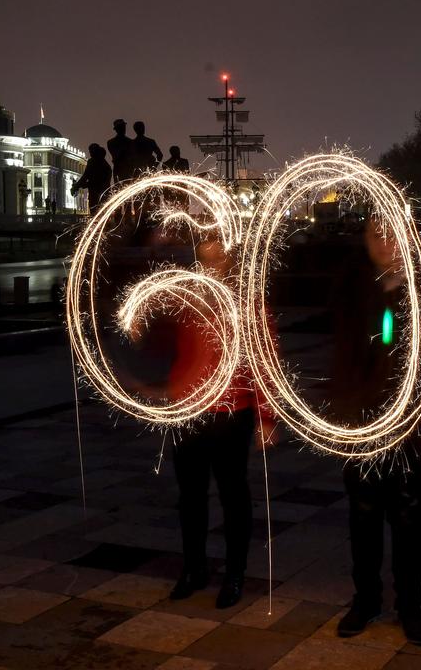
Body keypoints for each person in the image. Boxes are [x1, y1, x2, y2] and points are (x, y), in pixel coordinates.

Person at [331, 217, 421, 646]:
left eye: (393, 233)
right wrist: (341, 414)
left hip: (413, 423)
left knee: (408, 514)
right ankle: (366, 599)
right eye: (375, 234)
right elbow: (342, 355)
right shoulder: (356, 288)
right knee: (364, 512)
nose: (385, 243)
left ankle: (410, 606)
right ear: (366, 241)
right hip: (364, 423)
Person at [164, 236, 275, 609]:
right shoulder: (183, 293)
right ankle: (194, 569)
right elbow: (162, 346)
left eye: (222, 241)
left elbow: (265, 357)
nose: (216, 249)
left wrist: (267, 416)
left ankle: (235, 573)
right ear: (198, 246)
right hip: (187, 411)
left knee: (233, 495)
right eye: (209, 239)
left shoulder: (247, 299)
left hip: (231, 411)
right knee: (190, 496)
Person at [76, 143, 112, 214]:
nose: (90, 154)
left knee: (95, 211)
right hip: (101, 192)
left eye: (91, 151)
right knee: (100, 212)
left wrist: (79, 185)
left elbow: (87, 176)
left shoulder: (94, 163)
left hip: (98, 192)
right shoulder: (105, 164)